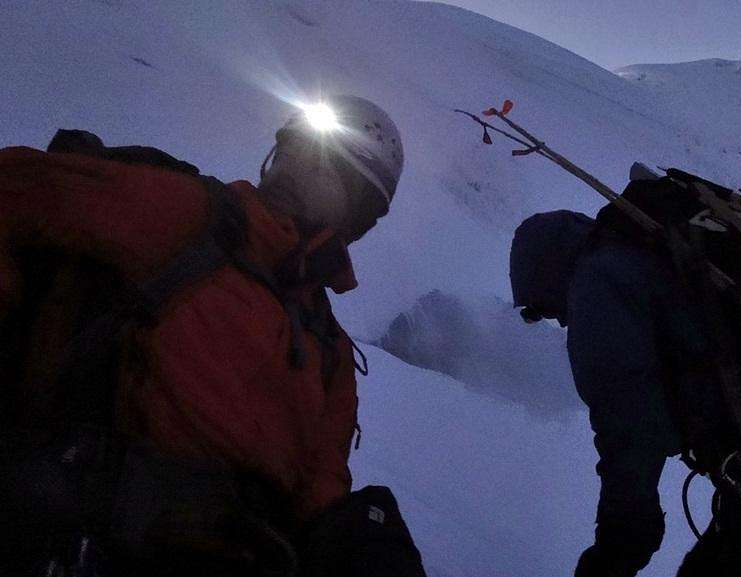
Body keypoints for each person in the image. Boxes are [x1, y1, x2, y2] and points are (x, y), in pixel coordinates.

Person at [0, 95, 425, 576]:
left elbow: (319, 494)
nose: (292, 165)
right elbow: (18, 187)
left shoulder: (330, 350)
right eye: (293, 149)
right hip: (90, 532)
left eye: (322, 165)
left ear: (358, 207)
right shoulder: (192, 217)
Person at [510, 177, 741, 577]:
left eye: (542, 309)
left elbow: (630, 426)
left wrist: (619, 545)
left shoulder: (598, 285)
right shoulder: (647, 257)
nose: (559, 320)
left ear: (547, 274)